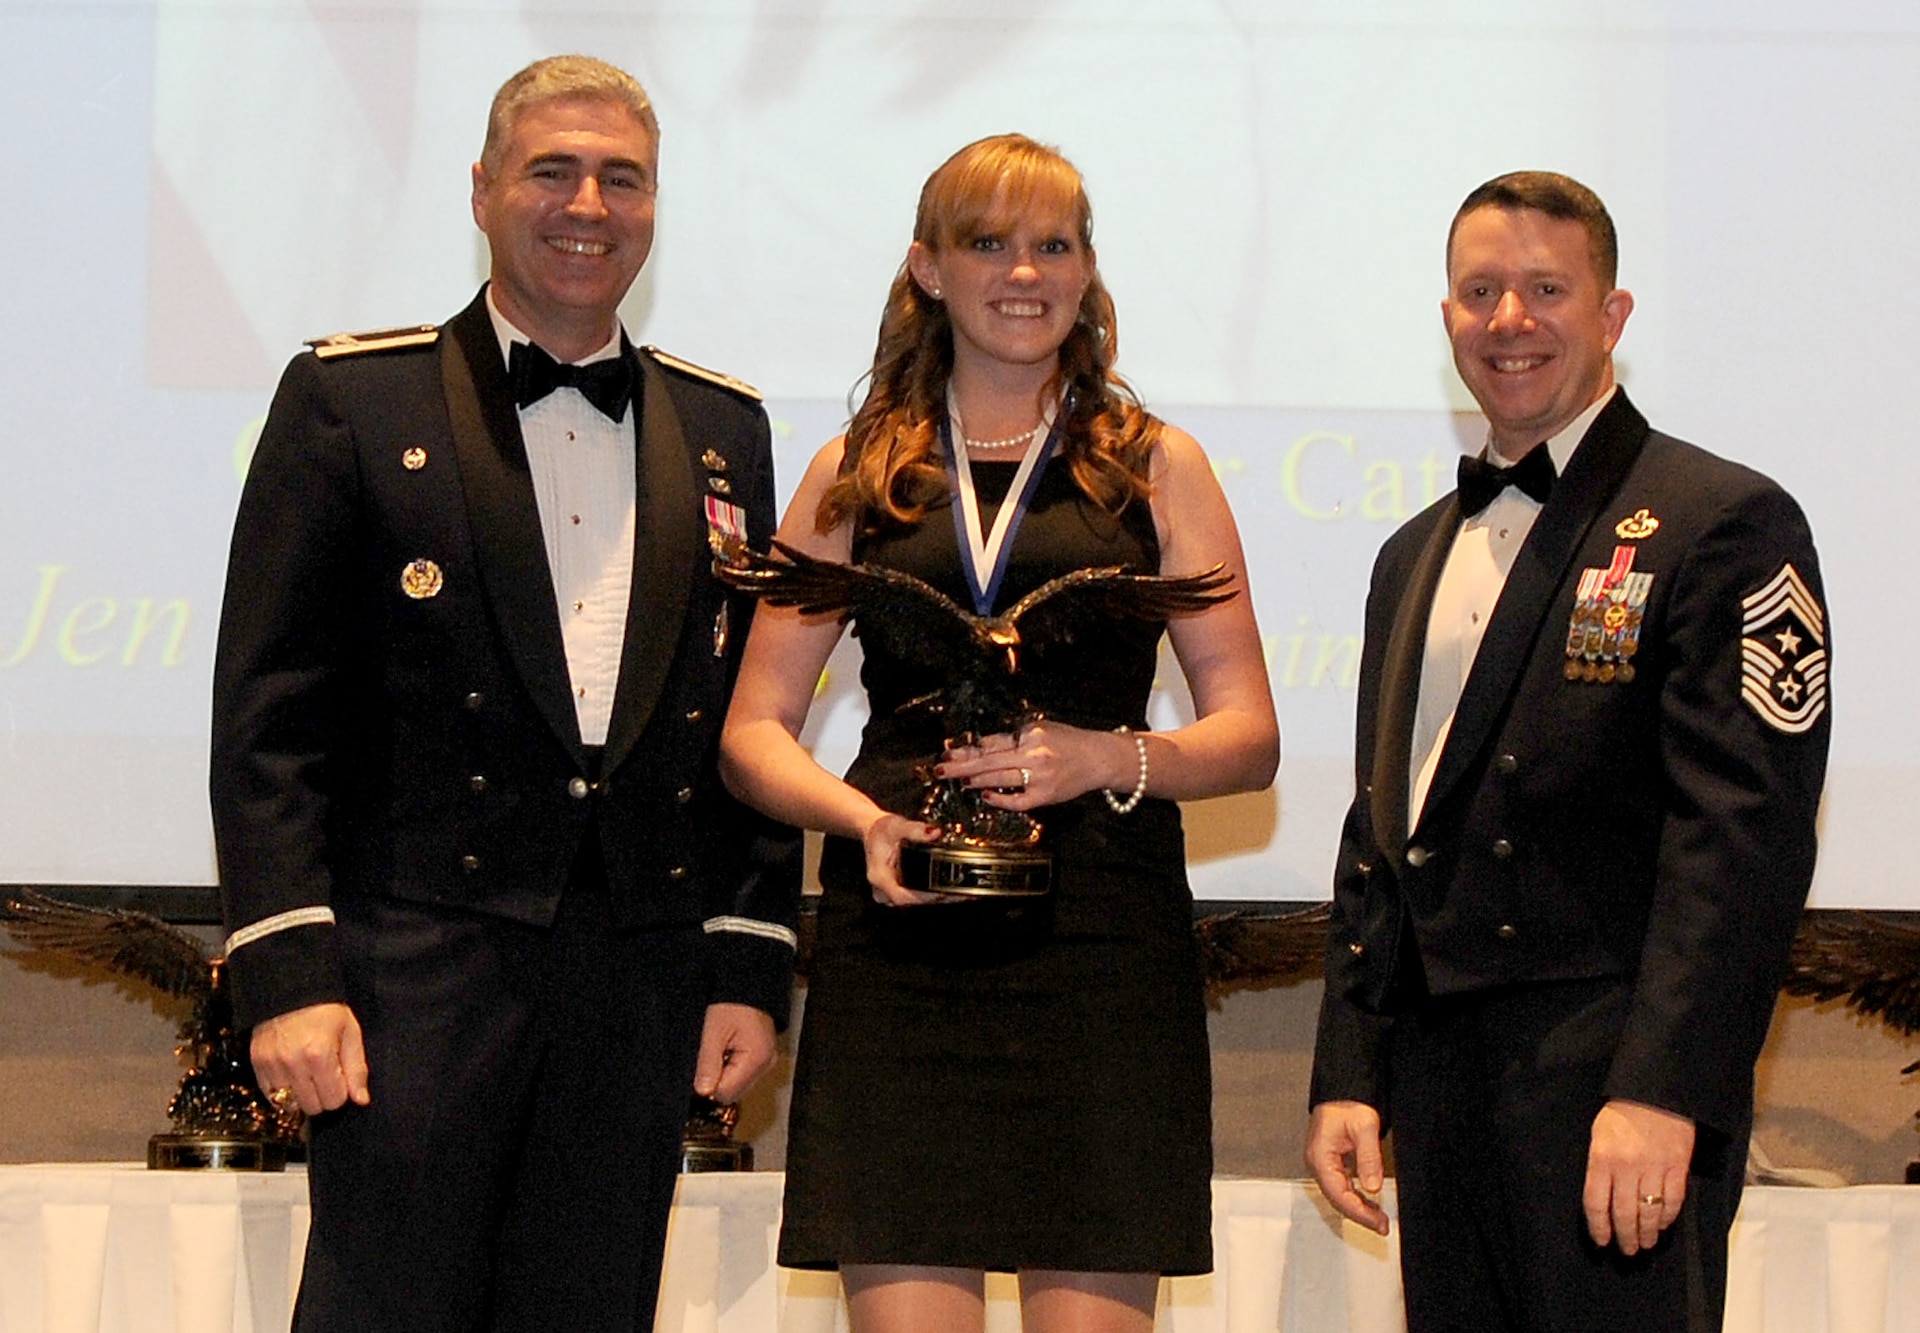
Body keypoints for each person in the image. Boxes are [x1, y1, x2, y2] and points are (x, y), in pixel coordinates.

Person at [210, 56, 800, 1333]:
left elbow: (741, 720)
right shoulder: (352, 400)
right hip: (408, 972)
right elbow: (269, 720)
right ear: (481, 191)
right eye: (552, 169)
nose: (588, 203)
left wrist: (749, 961)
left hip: (636, 976)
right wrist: (287, 971)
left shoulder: (722, 428)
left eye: (622, 178)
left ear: (653, 207)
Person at [719, 134, 1279, 1333]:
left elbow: (1247, 736)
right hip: (900, 946)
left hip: (1100, 952)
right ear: (927, 268)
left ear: (1086, 272)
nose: (1022, 272)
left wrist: (1105, 757)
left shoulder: (1156, 468)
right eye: (987, 243)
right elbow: (752, 733)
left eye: (1052, 244)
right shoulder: (852, 474)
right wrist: (860, 818)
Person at [1305, 171, 1830, 1332]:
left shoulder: (1719, 518)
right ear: (1444, 316)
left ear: (1613, 314)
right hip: (1441, 1091)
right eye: (1479, 290)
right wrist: (1350, 1065)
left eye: (1546, 288)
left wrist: (1662, 1088)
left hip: (1610, 1081)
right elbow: (1380, 832)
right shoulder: (1408, 552)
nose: (1509, 320)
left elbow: (1738, 835)